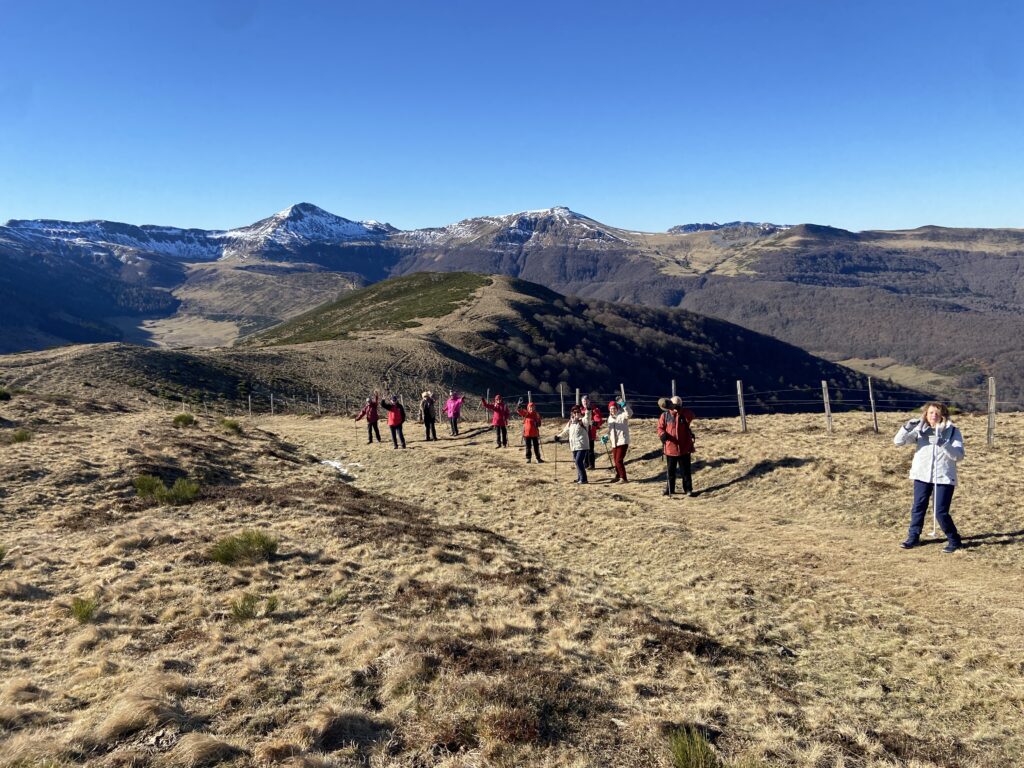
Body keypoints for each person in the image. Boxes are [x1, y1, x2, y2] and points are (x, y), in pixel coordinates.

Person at [893, 402, 965, 553]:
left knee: (940, 512)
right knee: (918, 507)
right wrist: (906, 428)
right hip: (922, 475)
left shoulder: (953, 432)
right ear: (925, 415)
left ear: (943, 415)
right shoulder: (920, 431)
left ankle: (954, 540)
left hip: (944, 477)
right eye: (931, 412)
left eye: (937, 413)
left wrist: (943, 444)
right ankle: (913, 537)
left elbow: (958, 456)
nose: (934, 415)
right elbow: (898, 442)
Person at [657, 395, 696, 497]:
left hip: (684, 447)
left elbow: (691, 416)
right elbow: (660, 427)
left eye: (678, 404)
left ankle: (688, 489)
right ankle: (670, 489)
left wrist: (680, 410)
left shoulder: (684, 414)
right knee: (670, 471)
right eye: (674, 403)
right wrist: (662, 435)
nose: (675, 405)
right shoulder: (665, 416)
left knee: (685, 471)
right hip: (670, 448)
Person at [555, 405, 592, 483]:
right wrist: (558, 437)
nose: (576, 413)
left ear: (580, 412)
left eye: (577, 412)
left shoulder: (583, 420)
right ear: (572, 413)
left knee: (578, 461)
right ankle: (579, 478)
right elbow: (566, 431)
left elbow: (588, 417)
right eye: (574, 412)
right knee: (577, 462)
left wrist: (588, 410)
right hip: (573, 445)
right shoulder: (570, 422)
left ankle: (584, 479)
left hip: (582, 445)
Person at [605, 399, 633, 482]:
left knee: (618, 460)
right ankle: (618, 476)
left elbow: (629, 414)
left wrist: (624, 406)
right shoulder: (610, 418)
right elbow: (610, 430)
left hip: (623, 440)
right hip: (614, 442)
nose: (612, 410)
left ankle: (623, 478)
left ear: (617, 408)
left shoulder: (622, 415)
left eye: (614, 408)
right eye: (611, 409)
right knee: (615, 460)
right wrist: (606, 436)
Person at [581, 395, 604, 470]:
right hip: (582, 432)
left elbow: (597, 418)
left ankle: (591, 465)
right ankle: (585, 463)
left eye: (586, 401)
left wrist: (596, 423)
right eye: (584, 401)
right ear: (582, 402)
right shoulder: (581, 410)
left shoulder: (594, 409)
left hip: (590, 432)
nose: (585, 402)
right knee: (584, 449)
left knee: (590, 449)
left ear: (589, 401)